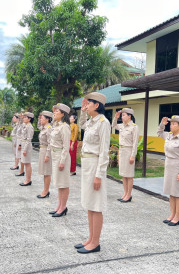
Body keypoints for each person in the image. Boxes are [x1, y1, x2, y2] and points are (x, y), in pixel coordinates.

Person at [75, 92, 110, 254]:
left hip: (96, 165)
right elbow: (82, 124)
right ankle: (90, 238)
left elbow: (104, 151)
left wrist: (99, 175)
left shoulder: (103, 123)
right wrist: (83, 111)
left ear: (97, 105)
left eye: (89, 103)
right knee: (89, 204)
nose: (86, 105)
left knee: (96, 205)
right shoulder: (91, 122)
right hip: (87, 164)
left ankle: (95, 242)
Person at [158, 115, 179, 226]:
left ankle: (177, 217)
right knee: (171, 193)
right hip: (169, 167)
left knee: (178, 193)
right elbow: (159, 133)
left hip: (178, 167)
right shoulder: (169, 136)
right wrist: (162, 124)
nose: (171, 126)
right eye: (171, 123)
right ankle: (172, 215)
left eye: (173, 124)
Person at [112, 108, 139, 203]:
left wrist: (133, 155)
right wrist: (115, 117)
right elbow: (113, 125)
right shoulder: (121, 126)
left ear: (129, 116)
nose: (122, 117)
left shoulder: (134, 127)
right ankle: (125, 193)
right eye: (122, 115)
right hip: (122, 151)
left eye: (124, 115)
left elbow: (135, 143)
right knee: (123, 174)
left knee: (129, 175)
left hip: (129, 151)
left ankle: (129, 195)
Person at [49, 103, 71, 217]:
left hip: (62, 157)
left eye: (57, 111)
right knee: (59, 183)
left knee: (63, 183)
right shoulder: (56, 125)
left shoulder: (65, 127)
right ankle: (59, 205)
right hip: (55, 156)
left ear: (63, 114)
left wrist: (62, 161)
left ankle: (63, 207)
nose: (54, 113)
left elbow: (66, 146)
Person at [37, 111, 53, 198]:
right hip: (42, 150)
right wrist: (39, 119)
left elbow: (50, 143)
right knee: (44, 172)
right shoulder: (44, 127)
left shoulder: (49, 128)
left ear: (47, 119)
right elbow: (38, 126)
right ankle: (45, 189)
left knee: (47, 172)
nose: (40, 120)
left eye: (42, 118)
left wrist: (47, 155)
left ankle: (46, 191)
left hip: (46, 151)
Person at [19, 112, 34, 186]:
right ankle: (27, 179)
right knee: (25, 163)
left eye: (25, 117)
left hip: (27, 146)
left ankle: (28, 180)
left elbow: (29, 139)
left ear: (29, 119)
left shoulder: (29, 127)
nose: (23, 118)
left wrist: (25, 149)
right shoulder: (25, 125)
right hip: (24, 144)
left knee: (27, 163)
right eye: (24, 117)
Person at [15, 113, 25, 177]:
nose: (21, 118)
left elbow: (24, 137)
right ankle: (21, 170)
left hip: (23, 142)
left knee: (22, 158)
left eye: (22, 117)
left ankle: (22, 171)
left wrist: (20, 145)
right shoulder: (21, 124)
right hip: (20, 141)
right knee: (19, 156)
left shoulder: (26, 126)